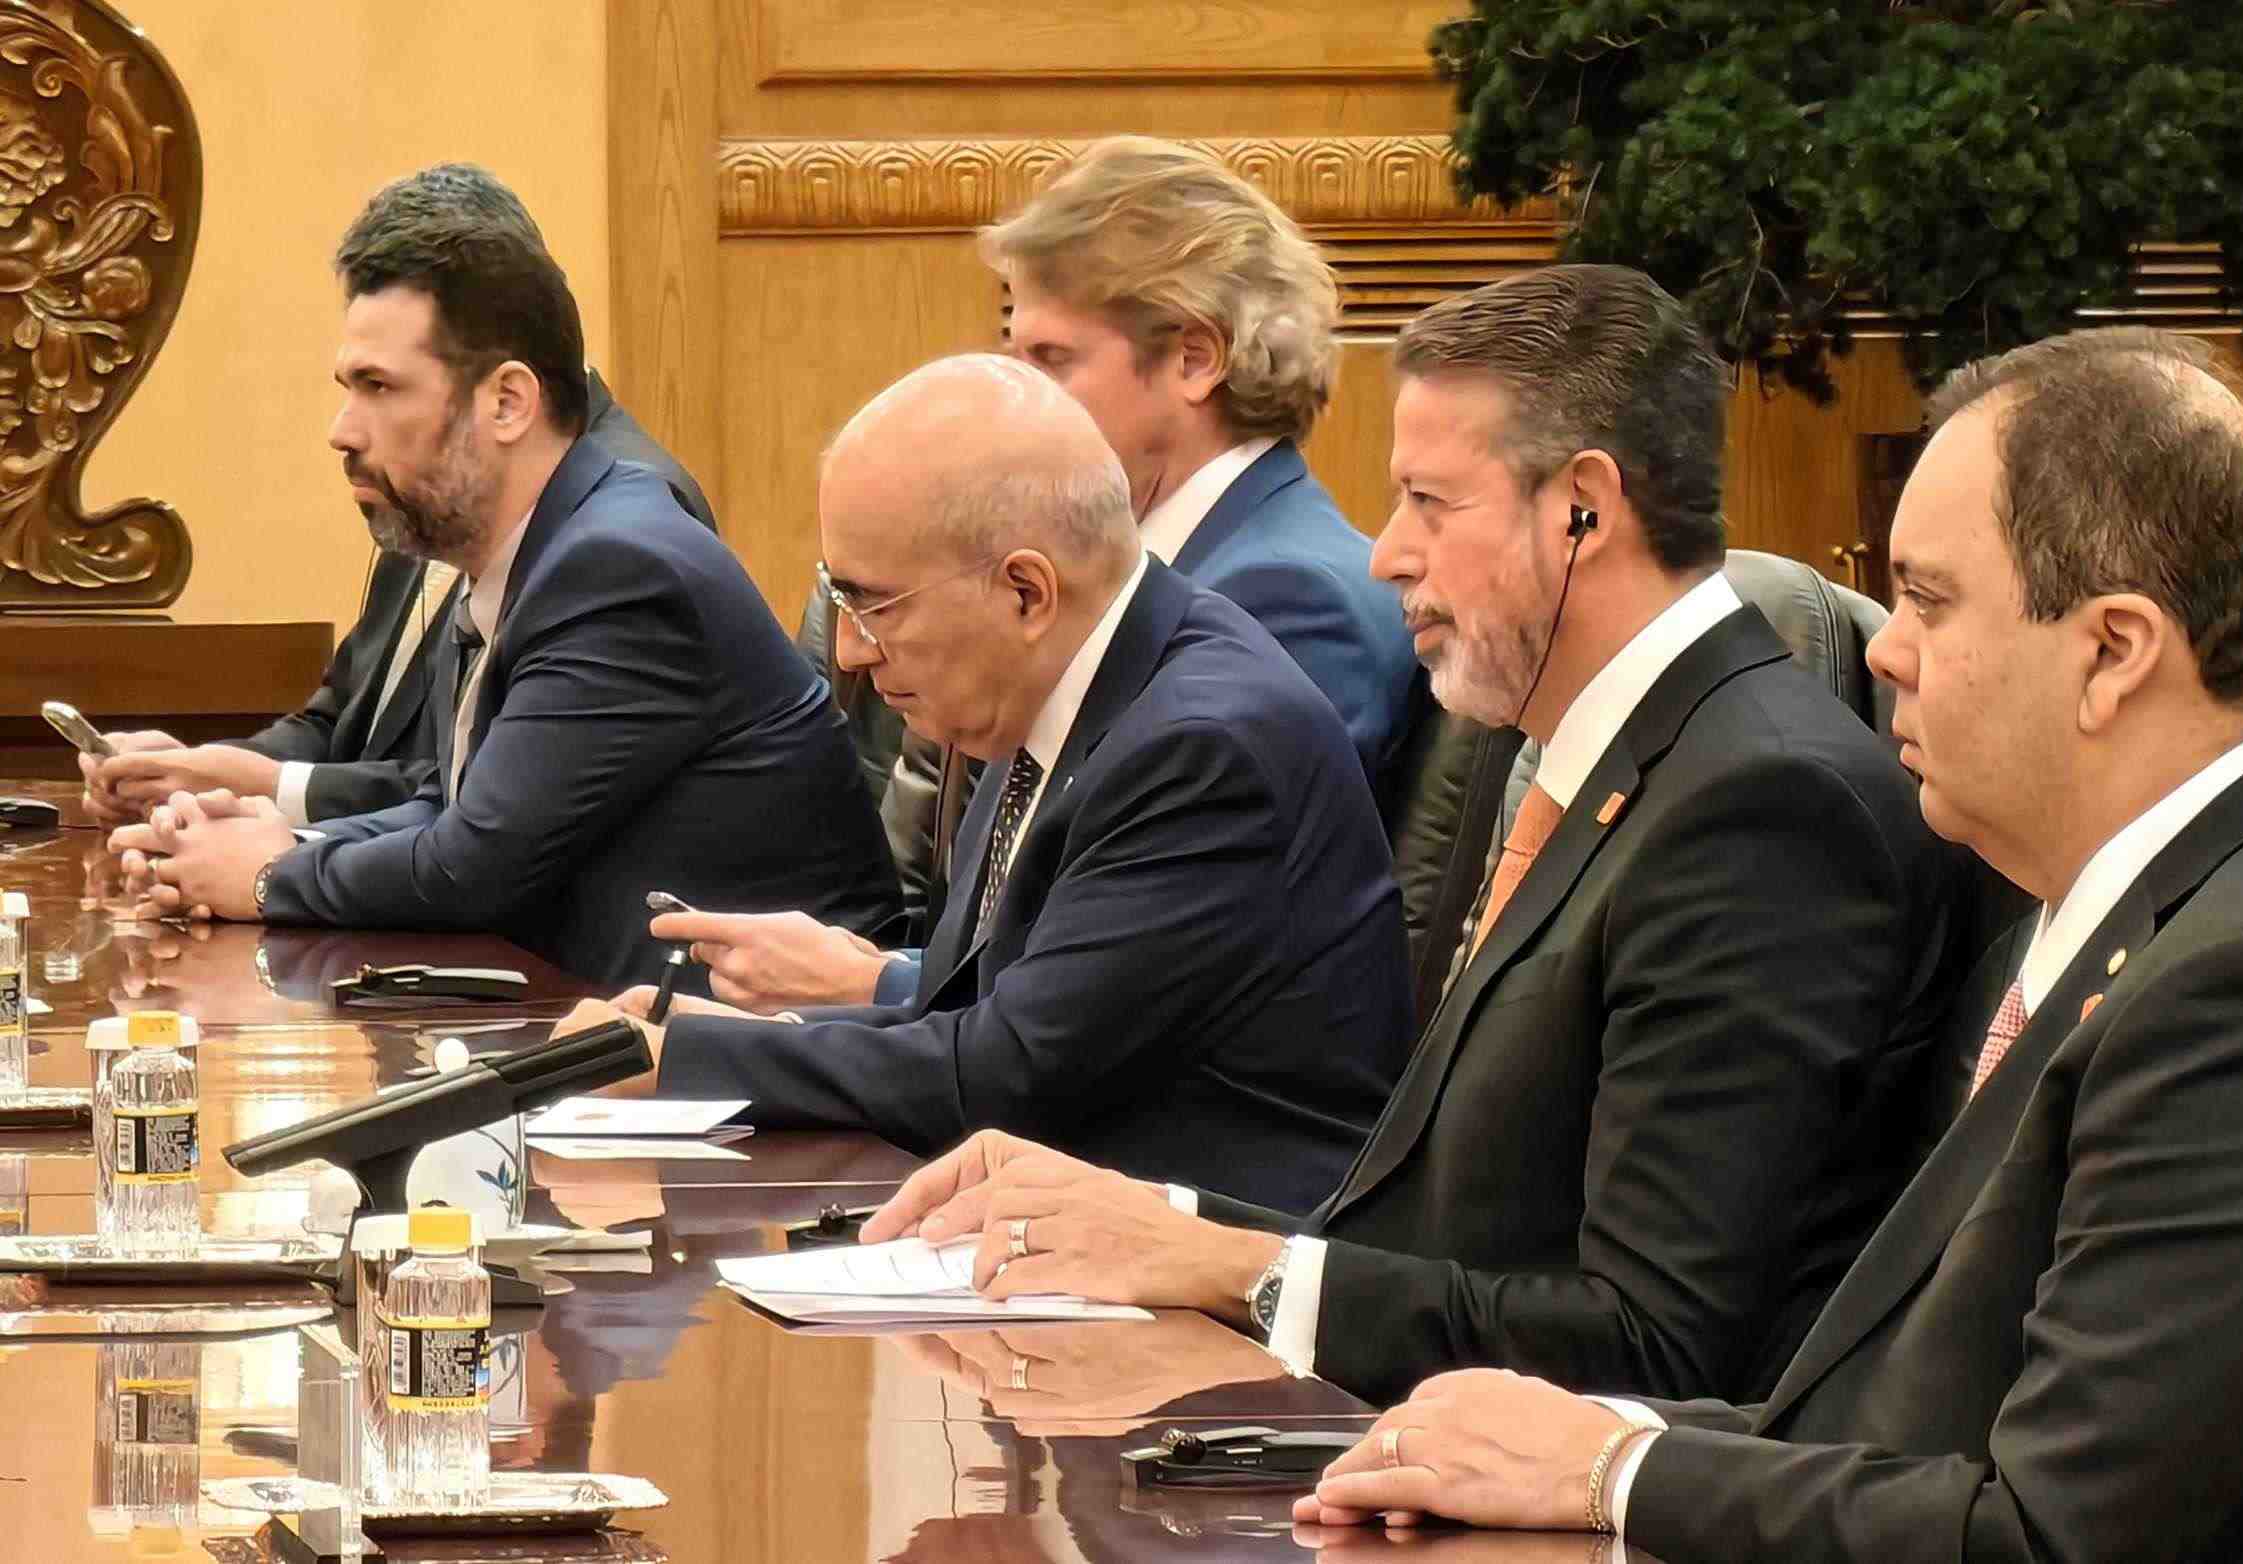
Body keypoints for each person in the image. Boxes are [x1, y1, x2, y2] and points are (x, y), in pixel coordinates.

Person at [1277, 328, 2243, 1563]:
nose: (1883, 648)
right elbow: (1915, 1428)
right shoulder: (2172, 912)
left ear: (2111, 651)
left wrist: (1610, 1471)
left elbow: (2050, 1536)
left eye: (1927, 601)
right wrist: (1575, 1436)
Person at [852, 266, 1974, 1406]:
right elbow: (1459, 1227)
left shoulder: (1761, 809)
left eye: (1430, 503)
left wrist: (1235, 1269)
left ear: (1581, 507)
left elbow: (1653, 1341)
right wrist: (1149, 1218)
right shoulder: (1599, 760)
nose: (1387, 553)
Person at [546, 355, 1412, 1215]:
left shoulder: (1202, 746)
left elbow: (1005, 1074)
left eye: (873, 605)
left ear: (1026, 592)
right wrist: (737, 1034)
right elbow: (963, 1010)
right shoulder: (1055, 690)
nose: (848, 652)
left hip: (1209, 1263)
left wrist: (676, 1063)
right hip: (1048, 1217)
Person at [666, 135, 1422, 1013]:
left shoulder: (1284, 596)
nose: (1016, 388)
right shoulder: (1127, 573)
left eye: (1052, 360)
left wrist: (868, 984)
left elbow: (1146, 967)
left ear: (1194, 358)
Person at [107, 164, 897, 990]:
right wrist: (256, 843)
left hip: (767, 1033)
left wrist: (269, 875)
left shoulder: (620, 566)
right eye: (349, 388)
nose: (343, 431)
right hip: (599, 1015)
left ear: (509, 403)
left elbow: (472, 863)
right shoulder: (526, 551)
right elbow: (452, 808)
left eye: (379, 388)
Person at [82, 366, 714, 826]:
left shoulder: (623, 525)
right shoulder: (434, 486)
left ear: (505, 391)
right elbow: (340, 718)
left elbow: (489, 802)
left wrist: (271, 834)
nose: (344, 431)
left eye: (382, 386)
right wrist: (194, 772)